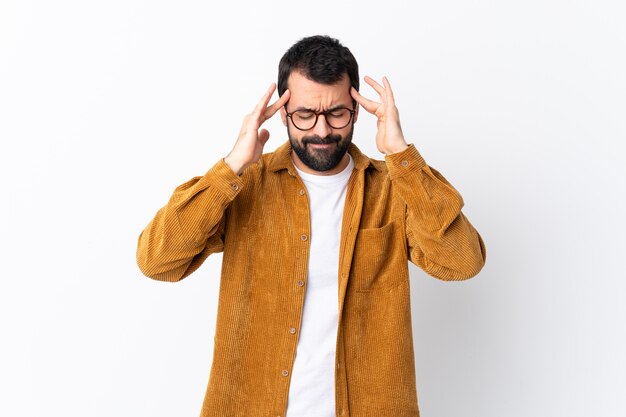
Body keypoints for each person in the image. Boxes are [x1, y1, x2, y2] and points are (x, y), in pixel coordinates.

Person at [136, 35, 486, 417]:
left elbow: (462, 262)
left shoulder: (392, 190)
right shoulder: (246, 185)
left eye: (336, 113)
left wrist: (401, 154)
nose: (321, 131)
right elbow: (157, 261)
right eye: (305, 115)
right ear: (283, 114)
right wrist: (232, 165)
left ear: (356, 110)